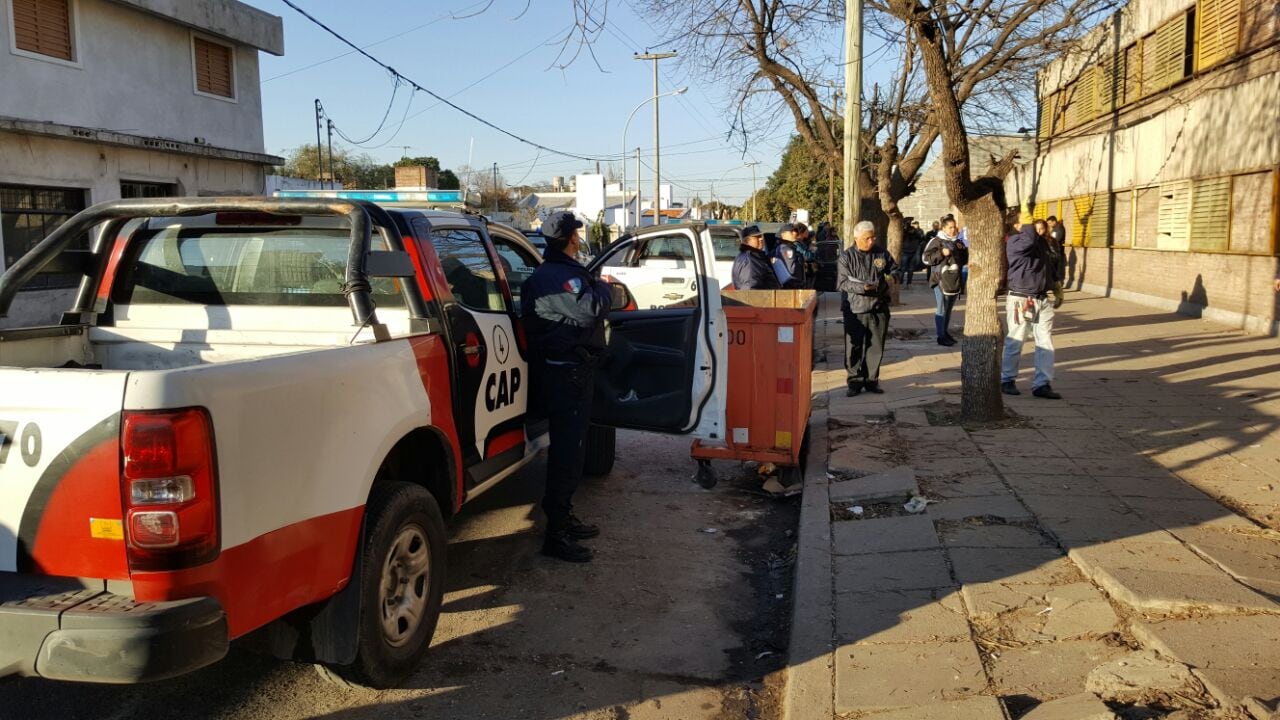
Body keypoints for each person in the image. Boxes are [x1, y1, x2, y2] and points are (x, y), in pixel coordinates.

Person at [521, 211, 611, 562]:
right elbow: (589, 310)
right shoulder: (558, 277)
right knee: (566, 454)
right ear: (572, 238)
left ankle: (564, 516)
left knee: (571, 452)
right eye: (577, 232)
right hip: (565, 374)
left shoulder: (554, 272)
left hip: (570, 371)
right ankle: (555, 536)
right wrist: (603, 284)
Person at [1002, 207, 1062, 400]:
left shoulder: (1038, 243)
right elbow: (1028, 240)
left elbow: (1047, 265)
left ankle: (1042, 383)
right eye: (1027, 222)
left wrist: (1055, 285)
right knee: (1016, 339)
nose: (1033, 225)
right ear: (1018, 225)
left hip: (1041, 297)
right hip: (1022, 298)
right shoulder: (1015, 242)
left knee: (1045, 341)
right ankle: (1007, 379)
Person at [837, 221, 896, 396]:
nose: (871, 241)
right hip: (855, 308)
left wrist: (893, 277)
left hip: (878, 307)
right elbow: (842, 283)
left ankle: (871, 380)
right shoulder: (846, 257)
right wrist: (863, 287)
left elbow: (894, 269)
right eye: (867, 238)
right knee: (854, 347)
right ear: (856, 238)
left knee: (876, 346)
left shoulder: (881, 253)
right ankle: (854, 382)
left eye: (873, 237)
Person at [922, 217, 968, 346]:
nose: (953, 230)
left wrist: (963, 252)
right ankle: (941, 336)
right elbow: (925, 259)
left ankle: (945, 332)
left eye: (955, 227)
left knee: (948, 308)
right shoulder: (936, 241)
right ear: (944, 228)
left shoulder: (959, 242)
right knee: (941, 307)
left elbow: (963, 259)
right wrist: (941, 253)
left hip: (954, 279)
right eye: (950, 227)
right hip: (940, 279)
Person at [732, 225, 780, 290]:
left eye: (761, 236)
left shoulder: (755, 257)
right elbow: (749, 289)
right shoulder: (749, 260)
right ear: (746, 241)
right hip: (760, 299)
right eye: (757, 237)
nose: (761, 239)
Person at [773, 223, 809, 289]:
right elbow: (791, 270)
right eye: (791, 231)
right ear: (783, 234)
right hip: (791, 287)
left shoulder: (790, 247)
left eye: (795, 231)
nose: (795, 233)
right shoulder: (785, 248)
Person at [900, 219, 922, 286]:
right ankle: (901, 282)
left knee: (911, 269)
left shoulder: (915, 231)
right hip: (905, 251)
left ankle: (909, 282)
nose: (908, 224)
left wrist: (915, 231)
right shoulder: (904, 231)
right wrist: (905, 230)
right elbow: (902, 238)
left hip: (913, 251)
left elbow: (920, 238)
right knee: (903, 268)